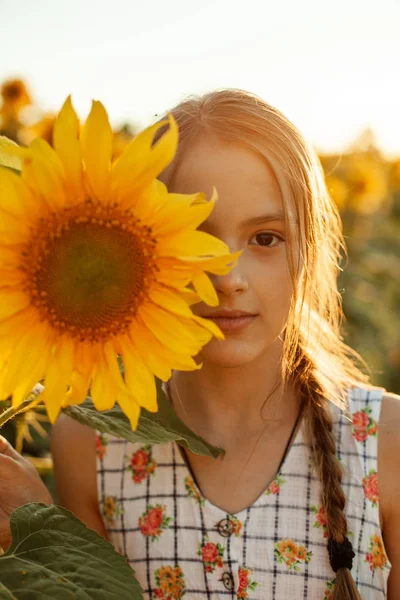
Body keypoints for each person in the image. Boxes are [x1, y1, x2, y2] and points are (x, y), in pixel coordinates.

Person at [5, 88, 399, 599]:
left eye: (265, 238)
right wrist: (44, 551)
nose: (229, 277)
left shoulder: (383, 443)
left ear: (311, 250)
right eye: (198, 236)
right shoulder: (91, 446)